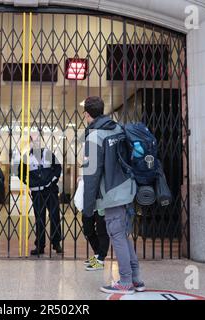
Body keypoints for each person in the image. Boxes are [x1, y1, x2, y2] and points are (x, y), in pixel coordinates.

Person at [82, 96, 146, 295]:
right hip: (127, 188)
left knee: (117, 235)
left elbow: (91, 175)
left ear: (87, 114)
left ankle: (126, 281)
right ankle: (135, 279)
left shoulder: (94, 136)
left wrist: (87, 206)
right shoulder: (117, 128)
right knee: (122, 235)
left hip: (112, 192)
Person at [19, 133, 63, 256]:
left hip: (51, 191)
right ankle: (40, 245)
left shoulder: (48, 154)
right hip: (37, 192)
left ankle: (56, 243)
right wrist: (29, 182)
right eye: (34, 140)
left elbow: (58, 168)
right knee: (40, 219)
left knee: (54, 216)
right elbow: (20, 173)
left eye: (38, 140)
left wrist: (52, 180)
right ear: (30, 143)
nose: (36, 142)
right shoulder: (26, 157)